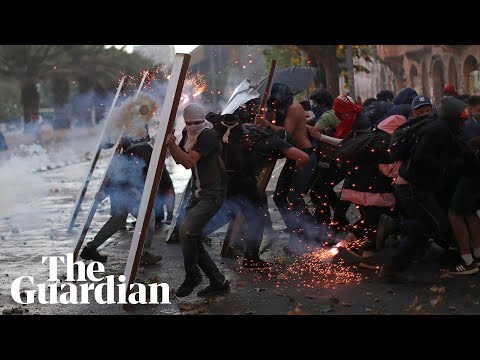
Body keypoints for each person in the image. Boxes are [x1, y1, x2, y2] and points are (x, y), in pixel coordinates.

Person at [379, 97, 468, 281]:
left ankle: (392, 267)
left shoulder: (441, 128)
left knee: (424, 228)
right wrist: (448, 165)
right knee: (436, 225)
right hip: (412, 187)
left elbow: (458, 150)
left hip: (415, 185)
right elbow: (422, 158)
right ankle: (395, 228)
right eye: (462, 117)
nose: (465, 121)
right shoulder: (437, 130)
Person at [166, 103, 230, 298]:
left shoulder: (208, 135)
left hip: (213, 192)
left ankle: (192, 275)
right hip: (197, 192)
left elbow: (188, 161)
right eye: (189, 123)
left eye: (196, 122)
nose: (192, 126)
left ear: (203, 121)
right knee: (191, 236)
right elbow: (180, 159)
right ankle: (218, 281)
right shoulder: (188, 132)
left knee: (187, 231)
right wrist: (172, 144)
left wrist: (171, 145)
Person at [255, 83, 318, 252]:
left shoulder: (294, 108)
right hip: (294, 156)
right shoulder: (286, 108)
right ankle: (297, 234)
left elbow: (286, 134)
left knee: (294, 198)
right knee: (280, 197)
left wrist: (267, 124)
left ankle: (312, 233)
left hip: (303, 155)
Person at [80, 137, 162, 265]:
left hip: (121, 188)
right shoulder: (147, 152)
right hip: (126, 189)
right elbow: (123, 172)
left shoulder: (145, 149)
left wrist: (107, 190)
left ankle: (90, 248)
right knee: (148, 216)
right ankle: (143, 254)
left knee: (118, 219)